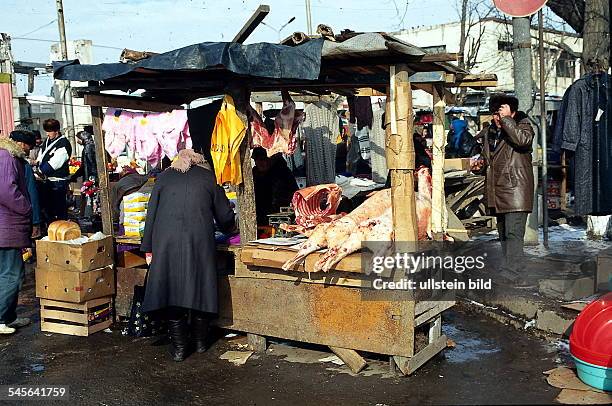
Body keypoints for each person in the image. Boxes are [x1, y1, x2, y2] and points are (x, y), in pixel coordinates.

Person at [141, 149, 235, 361]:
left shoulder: (163, 178)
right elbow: (225, 216)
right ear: (200, 162)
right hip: (198, 240)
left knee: (172, 292)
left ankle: (180, 347)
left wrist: (148, 247)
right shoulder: (209, 178)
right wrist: (230, 227)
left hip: (166, 241)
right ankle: (201, 343)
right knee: (201, 287)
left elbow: (151, 214)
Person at [479, 94, 534, 284]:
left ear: (513, 112)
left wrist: (507, 120)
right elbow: (490, 161)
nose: (497, 117)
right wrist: (479, 165)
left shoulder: (523, 125)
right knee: (503, 234)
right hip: (499, 192)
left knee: (513, 234)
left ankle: (515, 274)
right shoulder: (491, 133)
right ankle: (508, 271)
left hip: (516, 191)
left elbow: (523, 141)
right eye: (495, 113)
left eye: (501, 113)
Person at [0, 136, 32, 334]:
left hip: (7, 226)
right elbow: (6, 191)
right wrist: (26, 207)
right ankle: (1, 318)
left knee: (7, 273)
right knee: (12, 274)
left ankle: (8, 317)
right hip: (7, 227)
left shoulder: (6, 156)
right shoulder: (7, 156)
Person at [36, 119, 72, 223]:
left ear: (56, 130)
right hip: (47, 181)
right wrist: (37, 164)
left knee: (59, 209)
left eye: (49, 131)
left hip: (58, 181)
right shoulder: (47, 142)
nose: (47, 134)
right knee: (48, 210)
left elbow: (55, 163)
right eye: (46, 131)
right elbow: (41, 157)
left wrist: (40, 171)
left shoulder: (63, 143)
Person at [252, 147, 299, 226]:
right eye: (259, 160)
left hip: (281, 217)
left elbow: (294, 194)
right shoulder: (254, 173)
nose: (263, 163)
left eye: (265, 159)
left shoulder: (283, 172)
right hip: (260, 217)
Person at [9, 130, 41, 239]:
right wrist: (36, 221)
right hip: (21, 218)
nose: (29, 151)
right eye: (30, 147)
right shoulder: (23, 165)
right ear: (22, 144)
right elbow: (32, 193)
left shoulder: (3, 160)